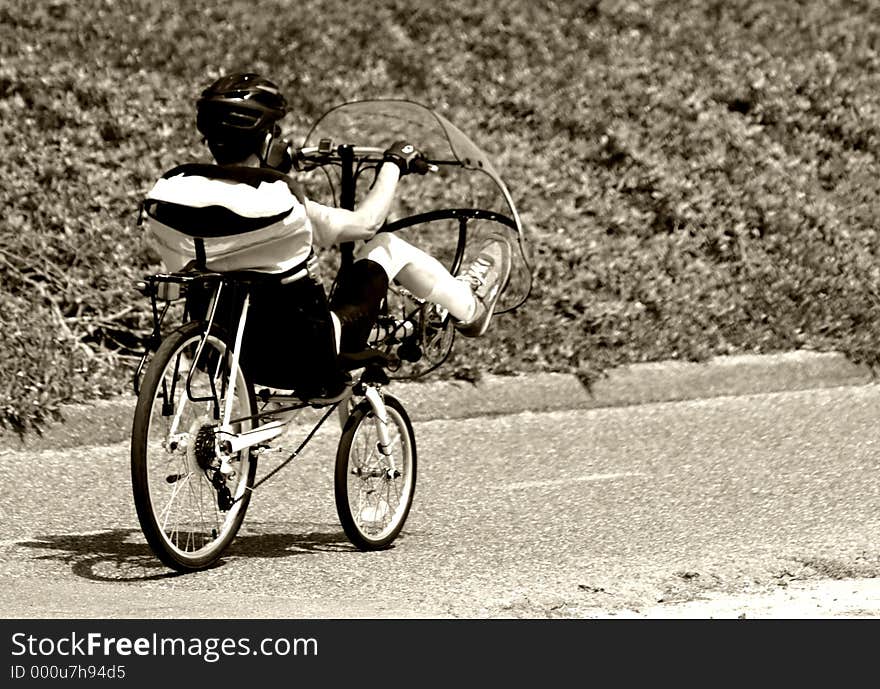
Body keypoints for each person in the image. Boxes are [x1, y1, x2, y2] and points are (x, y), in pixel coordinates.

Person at [143, 72, 511, 400]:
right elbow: (367, 222)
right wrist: (393, 165)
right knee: (385, 246)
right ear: (269, 137)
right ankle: (469, 307)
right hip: (303, 355)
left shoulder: (171, 195)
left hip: (222, 351)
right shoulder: (282, 205)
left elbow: (233, 196)